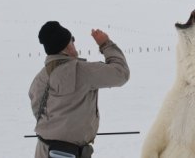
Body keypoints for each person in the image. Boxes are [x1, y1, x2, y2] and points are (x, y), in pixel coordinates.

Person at [29, 21, 130, 158]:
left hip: (42, 151)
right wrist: (106, 44)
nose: (74, 43)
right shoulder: (82, 71)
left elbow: (38, 111)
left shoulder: (39, 79)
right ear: (66, 45)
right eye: (72, 39)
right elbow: (121, 74)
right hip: (70, 153)